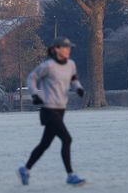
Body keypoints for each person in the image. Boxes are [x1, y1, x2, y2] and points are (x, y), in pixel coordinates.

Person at [18, 37, 86, 187]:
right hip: (48, 110)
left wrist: (78, 88)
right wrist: (35, 94)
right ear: (56, 49)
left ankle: (25, 169)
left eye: (69, 48)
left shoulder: (71, 65)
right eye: (65, 47)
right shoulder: (48, 66)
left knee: (44, 144)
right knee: (67, 139)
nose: (68, 50)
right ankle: (70, 175)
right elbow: (31, 78)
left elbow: (73, 80)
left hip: (61, 109)